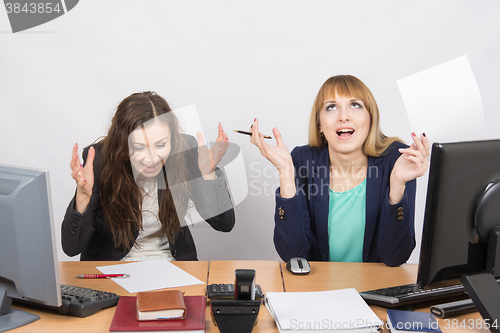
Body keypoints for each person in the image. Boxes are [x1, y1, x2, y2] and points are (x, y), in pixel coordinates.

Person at [250, 75, 429, 266]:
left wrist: (397, 185)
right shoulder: (303, 160)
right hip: (321, 290)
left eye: (355, 105)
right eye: (331, 107)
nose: (343, 116)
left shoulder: (397, 159)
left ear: (370, 119)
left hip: (377, 290)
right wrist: (286, 172)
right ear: (320, 124)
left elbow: (395, 257)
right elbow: (294, 254)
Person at [62, 91, 235, 261]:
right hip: (114, 268)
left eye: (160, 144)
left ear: (172, 140)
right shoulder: (99, 159)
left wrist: (207, 173)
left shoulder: (184, 150)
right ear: (122, 144)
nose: (152, 158)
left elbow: (224, 224)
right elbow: (71, 248)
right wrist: (83, 197)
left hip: (173, 265)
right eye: (139, 147)